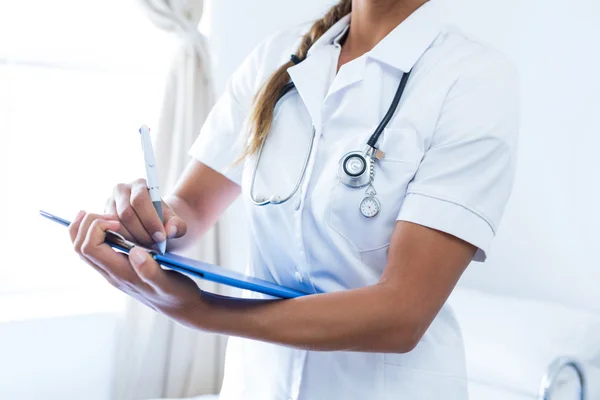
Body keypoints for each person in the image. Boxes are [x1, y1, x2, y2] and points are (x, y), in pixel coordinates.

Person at [69, 0, 519, 398]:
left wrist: (204, 312)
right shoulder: (277, 57)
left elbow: (403, 312)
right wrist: (146, 220)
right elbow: (189, 210)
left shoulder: (471, 78)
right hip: (257, 384)